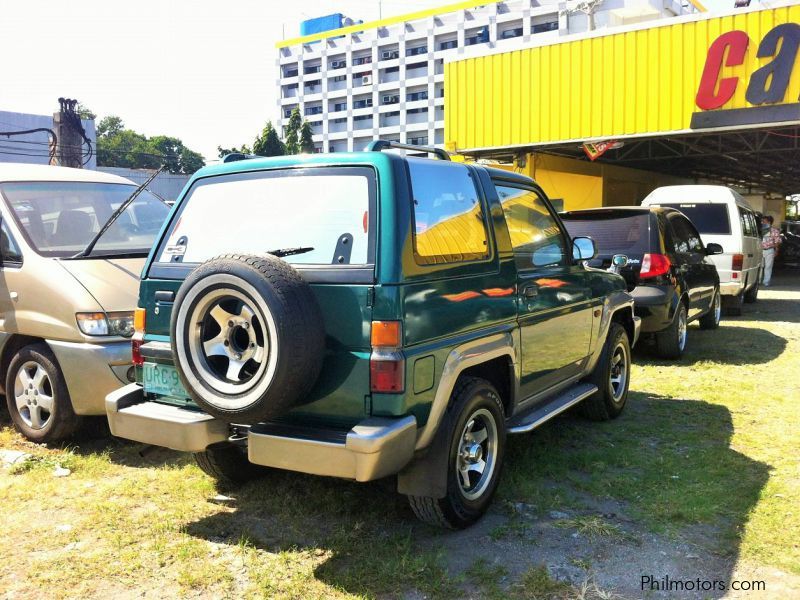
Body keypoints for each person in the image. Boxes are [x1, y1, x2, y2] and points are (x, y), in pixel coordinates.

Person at [761, 215, 782, 287]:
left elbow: (777, 241)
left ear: (769, 222)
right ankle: (758, 281)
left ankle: (766, 282)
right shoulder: (759, 230)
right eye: (762, 221)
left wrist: (776, 250)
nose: (762, 222)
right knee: (760, 266)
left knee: (768, 267)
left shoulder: (774, 231)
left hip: (769, 250)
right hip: (759, 250)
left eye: (764, 221)